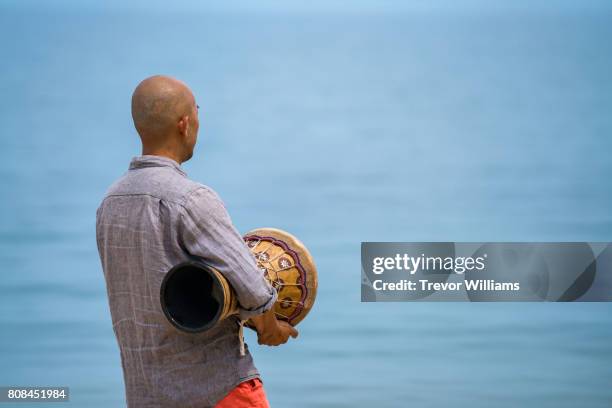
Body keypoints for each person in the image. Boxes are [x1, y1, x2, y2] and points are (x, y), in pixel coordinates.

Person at [96, 75, 297, 407]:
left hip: (146, 396)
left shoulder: (110, 204)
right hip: (219, 392)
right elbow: (255, 290)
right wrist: (270, 327)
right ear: (184, 124)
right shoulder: (191, 199)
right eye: (197, 114)